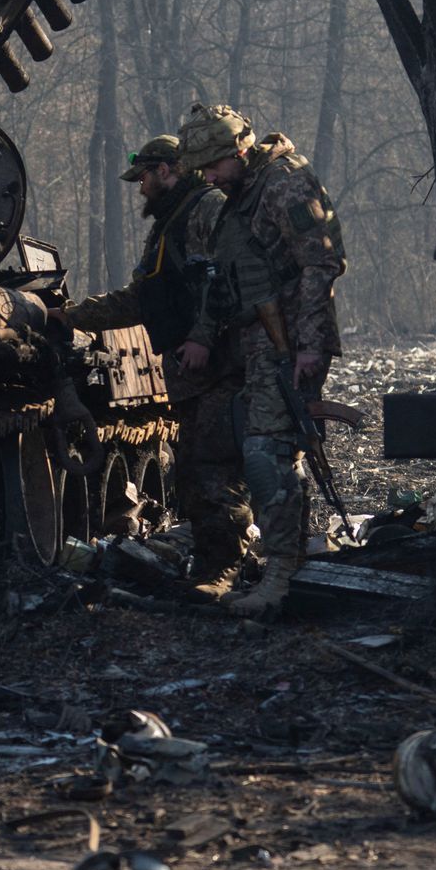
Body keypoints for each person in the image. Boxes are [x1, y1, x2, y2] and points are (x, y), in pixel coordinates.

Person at [49, 134, 253, 598]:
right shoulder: (170, 224)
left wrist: (202, 338)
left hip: (219, 366)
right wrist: (73, 316)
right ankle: (210, 566)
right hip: (192, 372)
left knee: (215, 472)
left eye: (143, 177)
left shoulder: (206, 210)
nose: (140, 189)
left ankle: (223, 572)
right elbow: (143, 298)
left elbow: (227, 282)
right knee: (194, 475)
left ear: (167, 170)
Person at [175, 104, 346, 617]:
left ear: (240, 152)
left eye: (212, 166)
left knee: (263, 454)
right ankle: (291, 564)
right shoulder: (241, 194)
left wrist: (311, 346)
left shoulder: (284, 184)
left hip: (291, 344)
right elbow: (227, 279)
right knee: (273, 455)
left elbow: (322, 261)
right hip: (259, 346)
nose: (206, 177)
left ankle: (280, 577)